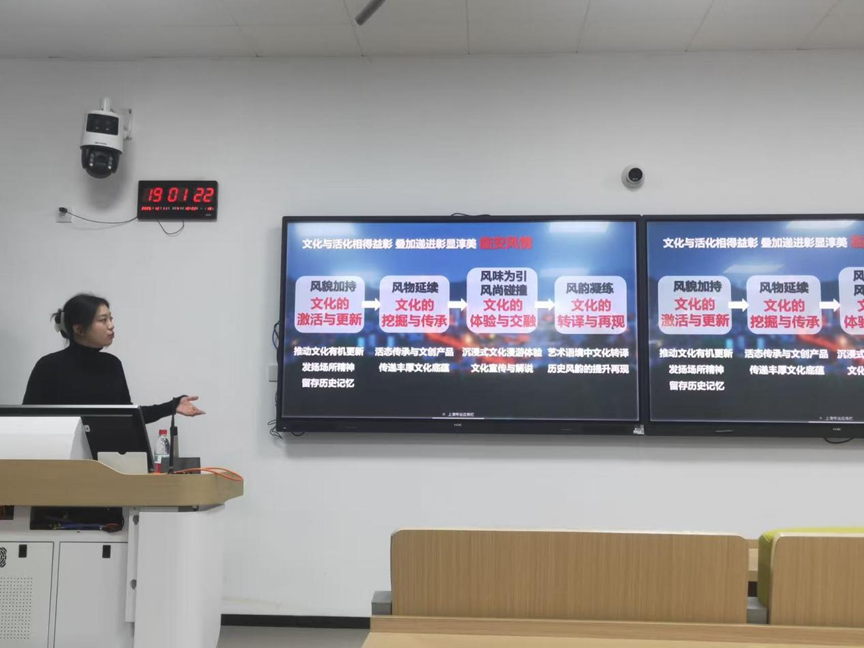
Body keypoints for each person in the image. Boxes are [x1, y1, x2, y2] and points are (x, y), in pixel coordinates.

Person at [23, 293, 204, 423]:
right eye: (103, 320)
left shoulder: (112, 364)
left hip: (105, 460)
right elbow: (26, 420)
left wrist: (172, 406)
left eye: (111, 319)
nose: (111, 325)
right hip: (62, 460)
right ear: (79, 329)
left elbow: (127, 415)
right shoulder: (49, 366)